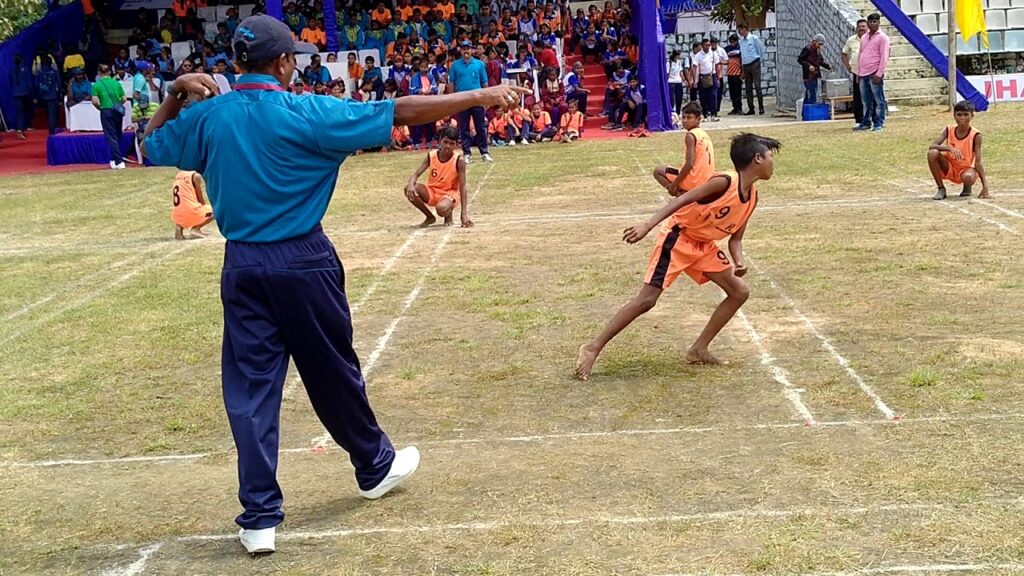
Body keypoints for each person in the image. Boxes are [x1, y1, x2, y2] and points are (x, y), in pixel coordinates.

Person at [141, 15, 525, 554]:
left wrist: (176, 93)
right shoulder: (307, 110)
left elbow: (150, 145)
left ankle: (259, 518)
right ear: (282, 64)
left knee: (251, 390)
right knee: (332, 372)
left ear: (236, 64)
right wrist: (478, 95)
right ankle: (374, 465)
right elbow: (399, 111)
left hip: (243, 265)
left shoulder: (209, 116)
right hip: (303, 259)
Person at [575, 133, 782, 380]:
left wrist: (738, 261)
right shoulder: (724, 182)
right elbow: (683, 198)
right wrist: (647, 225)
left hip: (703, 245)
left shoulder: (753, 197)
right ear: (757, 158)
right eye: (770, 156)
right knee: (647, 300)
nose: (772, 162)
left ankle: (698, 349)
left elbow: (735, 239)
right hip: (678, 238)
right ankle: (592, 347)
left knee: (739, 291)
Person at [404, 126, 471, 227]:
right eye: (445, 142)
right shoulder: (431, 156)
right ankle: (430, 217)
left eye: (452, 143)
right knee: (409, 189)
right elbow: (416, 174)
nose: (448, 146)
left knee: (441, 209)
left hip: (449, 194)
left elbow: (463, 187)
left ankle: (448, 214)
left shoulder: (459, 160)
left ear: (457, 145)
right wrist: (410, 184)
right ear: (440, 141)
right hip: (432, 191)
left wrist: (464, 214)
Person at [927, 101, 990, 200]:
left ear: (972, 115)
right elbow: (932, 146)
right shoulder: (949, 129)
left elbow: (978, 161)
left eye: (966, 115)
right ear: (954, 115)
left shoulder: (976, 135)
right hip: (949, 166)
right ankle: (941, 188)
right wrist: (949, 148)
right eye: (959, 115)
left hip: (966, 169)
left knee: (968, 177)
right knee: (932, 153)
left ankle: (967, 186)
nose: (962, 118)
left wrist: (985, 186)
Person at [653, 101, 713, 197]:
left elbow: (689, 163)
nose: (685, 120)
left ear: (698, 119)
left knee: (658, 171)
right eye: (683, 117)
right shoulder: (704, 134)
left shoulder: (691, 135)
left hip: (695, 180)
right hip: (707, 180)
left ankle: (681, 197)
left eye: (689, 118)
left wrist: (674, 184)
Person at [449, 41, 493, 163]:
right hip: (462, 99)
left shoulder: (479, 64)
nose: (466, 51)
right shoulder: (455, 65)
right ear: (460, 51)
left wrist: (486, 97)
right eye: (463, 49)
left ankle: (484, 152)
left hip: (477, 98)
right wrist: (453, 98)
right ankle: (467, 153)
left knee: (480, 127)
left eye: (467, 48)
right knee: (464, 127)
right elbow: (452, 83)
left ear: (471, 50)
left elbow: (484, 82)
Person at [856, 13, 890, 132]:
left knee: (878, 100)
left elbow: (884, 57)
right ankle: (865, 122)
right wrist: (859, 72)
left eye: (875, 22)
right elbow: (861, 54)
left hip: (874, 72)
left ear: (879, 23)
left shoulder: (883, 38)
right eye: (870, 22)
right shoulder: (864, 37)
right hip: (863, 73)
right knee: (865, 101)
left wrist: (879, 74)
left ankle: (879, 122)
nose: (872, 24)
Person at [91, 63, 128, 170]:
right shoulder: (116, 83)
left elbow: (94, 101)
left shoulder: (97, 85)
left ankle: (119, 161)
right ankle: (113, 160)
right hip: (117, 110)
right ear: (110, 72)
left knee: (110, 136)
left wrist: (100, 107)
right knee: (117, 134)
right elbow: (124, 98)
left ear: (99, 73)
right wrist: (118, 105)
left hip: (106, 111)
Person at [171, 170, 214, 239]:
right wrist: (204, 208)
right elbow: (200, 199)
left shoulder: (178, 175)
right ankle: (196, 229)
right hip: (191, 211)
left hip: (177, 215)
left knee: (183, 205)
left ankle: (179, 228)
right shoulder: (196, 176)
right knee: (217, 210)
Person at [842, 19, 868, 126]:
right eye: (859, 26)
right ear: (856, 28)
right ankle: (859, 120)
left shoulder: (872, 38)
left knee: (870, 96)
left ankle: (872, 118)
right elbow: (844, 53)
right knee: (858, 97)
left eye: (863, 26)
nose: (861, 28)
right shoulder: (851, 40)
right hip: (857, 72)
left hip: (870, 72)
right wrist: (848, 66)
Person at [737, 24, 766, 115]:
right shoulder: (741, 41)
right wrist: (742, 69)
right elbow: (742, 55)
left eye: (740, 30)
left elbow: (759, 51)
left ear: (745, 29)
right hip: (746, 65)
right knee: (748, 88)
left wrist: (759, 62)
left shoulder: (754, 38)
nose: (739, 32)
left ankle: (761, 107)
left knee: (757, 86)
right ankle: (751, 108)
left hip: (755, 63)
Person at [797, 34, 831, 104]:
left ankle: (806, 111)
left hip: (814, 75)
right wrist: (809, 66)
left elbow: (820, 62)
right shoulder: (807, 49)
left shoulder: (817, 51)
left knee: (810, 93)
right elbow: (800, 59)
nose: (820, 46)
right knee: (811, 94)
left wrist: (828, 66)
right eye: (819, 44)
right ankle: (810, 110)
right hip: (808, 76)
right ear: (814, 42)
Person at [692, 38, 719, 122]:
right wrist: (694, 80)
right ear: (702, 45)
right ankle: (705, 114)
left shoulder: (713, 54)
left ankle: (713, 114)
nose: (708, 47)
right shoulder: (698, 55)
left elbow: (717, 65)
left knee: (713, 96)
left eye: (709, 45)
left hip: (712, 76)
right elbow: (694, 67)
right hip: (702, 77)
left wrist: (718, 78)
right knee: (703, 97)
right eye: (706, 45)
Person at [35, 55, 61, 134]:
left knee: (47, 112)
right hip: (52, 95)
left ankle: (51, 126)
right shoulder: (54, 72)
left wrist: (38, 94)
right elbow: (59, 84)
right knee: (52, 113)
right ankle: (52, 130)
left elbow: (36, 84)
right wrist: (59, 93)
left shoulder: (39, 73)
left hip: (42, 95)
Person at [11, 55, 34, 140]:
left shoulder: (12, 70)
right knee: (26, 111)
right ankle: (24, 127)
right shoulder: (25, 69)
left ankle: (19, 128)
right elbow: (28, 82)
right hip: (25, 93)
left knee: (19, 112)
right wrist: (33, 93)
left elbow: (10, 82)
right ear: (22, 61)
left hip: (15, 93)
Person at [725, 34, 743, 116]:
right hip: (730, 73)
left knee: (738, 91)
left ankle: (739, 108)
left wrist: (742, 72)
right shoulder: (727, 49)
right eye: (730, 41)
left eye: (733, 41)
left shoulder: (740, 48)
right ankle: (734, 108)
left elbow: (742, 60)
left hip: (737, 73)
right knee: (732, 92)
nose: (731, 43)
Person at [667, 50, 685, 117]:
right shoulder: (669, 63)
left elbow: (680, 72)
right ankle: (671, 112)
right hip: (671, 81)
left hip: (678, 81)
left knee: (679, 98)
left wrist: (683, 80)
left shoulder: (679, 62)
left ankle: (678, 112)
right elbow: (667, 73)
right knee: (671, 98)